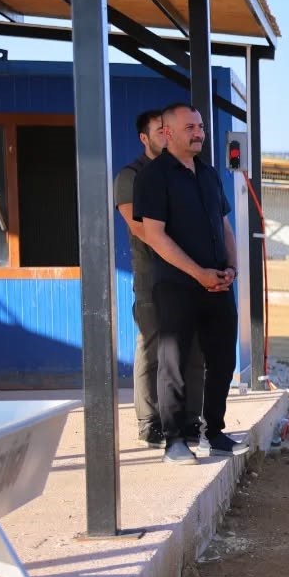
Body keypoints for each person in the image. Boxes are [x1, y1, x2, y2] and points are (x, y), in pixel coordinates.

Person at [134, 102, 248, 463]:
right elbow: (155, 235)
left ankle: (213, 431)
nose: (199, 133)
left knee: (222, 360)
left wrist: (231, 267)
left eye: (200, 127)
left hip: (218, 286)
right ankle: (175, 440)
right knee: (174, 362)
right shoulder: (152, 177)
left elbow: (224, 225)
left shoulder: (209, 174)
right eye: (190, 128)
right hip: (177, 287)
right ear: (166, 133)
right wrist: (198, 273)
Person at [115, 108, 202, 448]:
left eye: (169, 130)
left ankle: (192, 420)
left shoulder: (181, 173)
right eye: (159, 131)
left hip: (189, 275)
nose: (166, 136)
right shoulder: (130, 177)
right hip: (152, 277)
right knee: (153, 347)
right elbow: (143, 229)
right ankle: (149, 421)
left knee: (194, 348)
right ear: (144, 137)